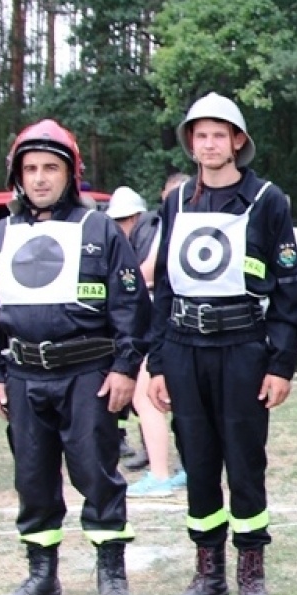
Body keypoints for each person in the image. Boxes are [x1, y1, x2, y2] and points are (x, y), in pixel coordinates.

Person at [0, 120, 150, 595]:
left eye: (51, 167)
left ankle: (111, 573)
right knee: (32, 477)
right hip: (24, 376)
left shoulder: (99, 229)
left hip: (88, 375)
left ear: (70, 173)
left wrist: (124, 368)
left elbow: (131, 307)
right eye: (30, 169)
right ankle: (40, 575)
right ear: (17, 175)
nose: (40, 178)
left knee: (97, 473)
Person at [148, 93, 297, 595]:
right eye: (200, 135)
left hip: (242, 347)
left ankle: (251, 570)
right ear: (190, 143)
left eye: (219, 134)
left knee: (244, 461)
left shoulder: (268, 200)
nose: (209, 144)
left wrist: (281, 363)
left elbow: (289, 288)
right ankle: (207, 571)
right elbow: (165, 285)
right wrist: (158, 362)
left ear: (238, 141)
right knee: (197, 459)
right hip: (185, 348)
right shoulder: (174, 202)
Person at [107, 184, 185, 497]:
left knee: (145, 396)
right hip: (165, 320)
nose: (121, 226)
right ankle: (184, 466)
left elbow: (152, 270)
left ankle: (161, 473)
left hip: (161, 320)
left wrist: (121, 283)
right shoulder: (151, 230)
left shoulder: (155, 228)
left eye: (126, 219)